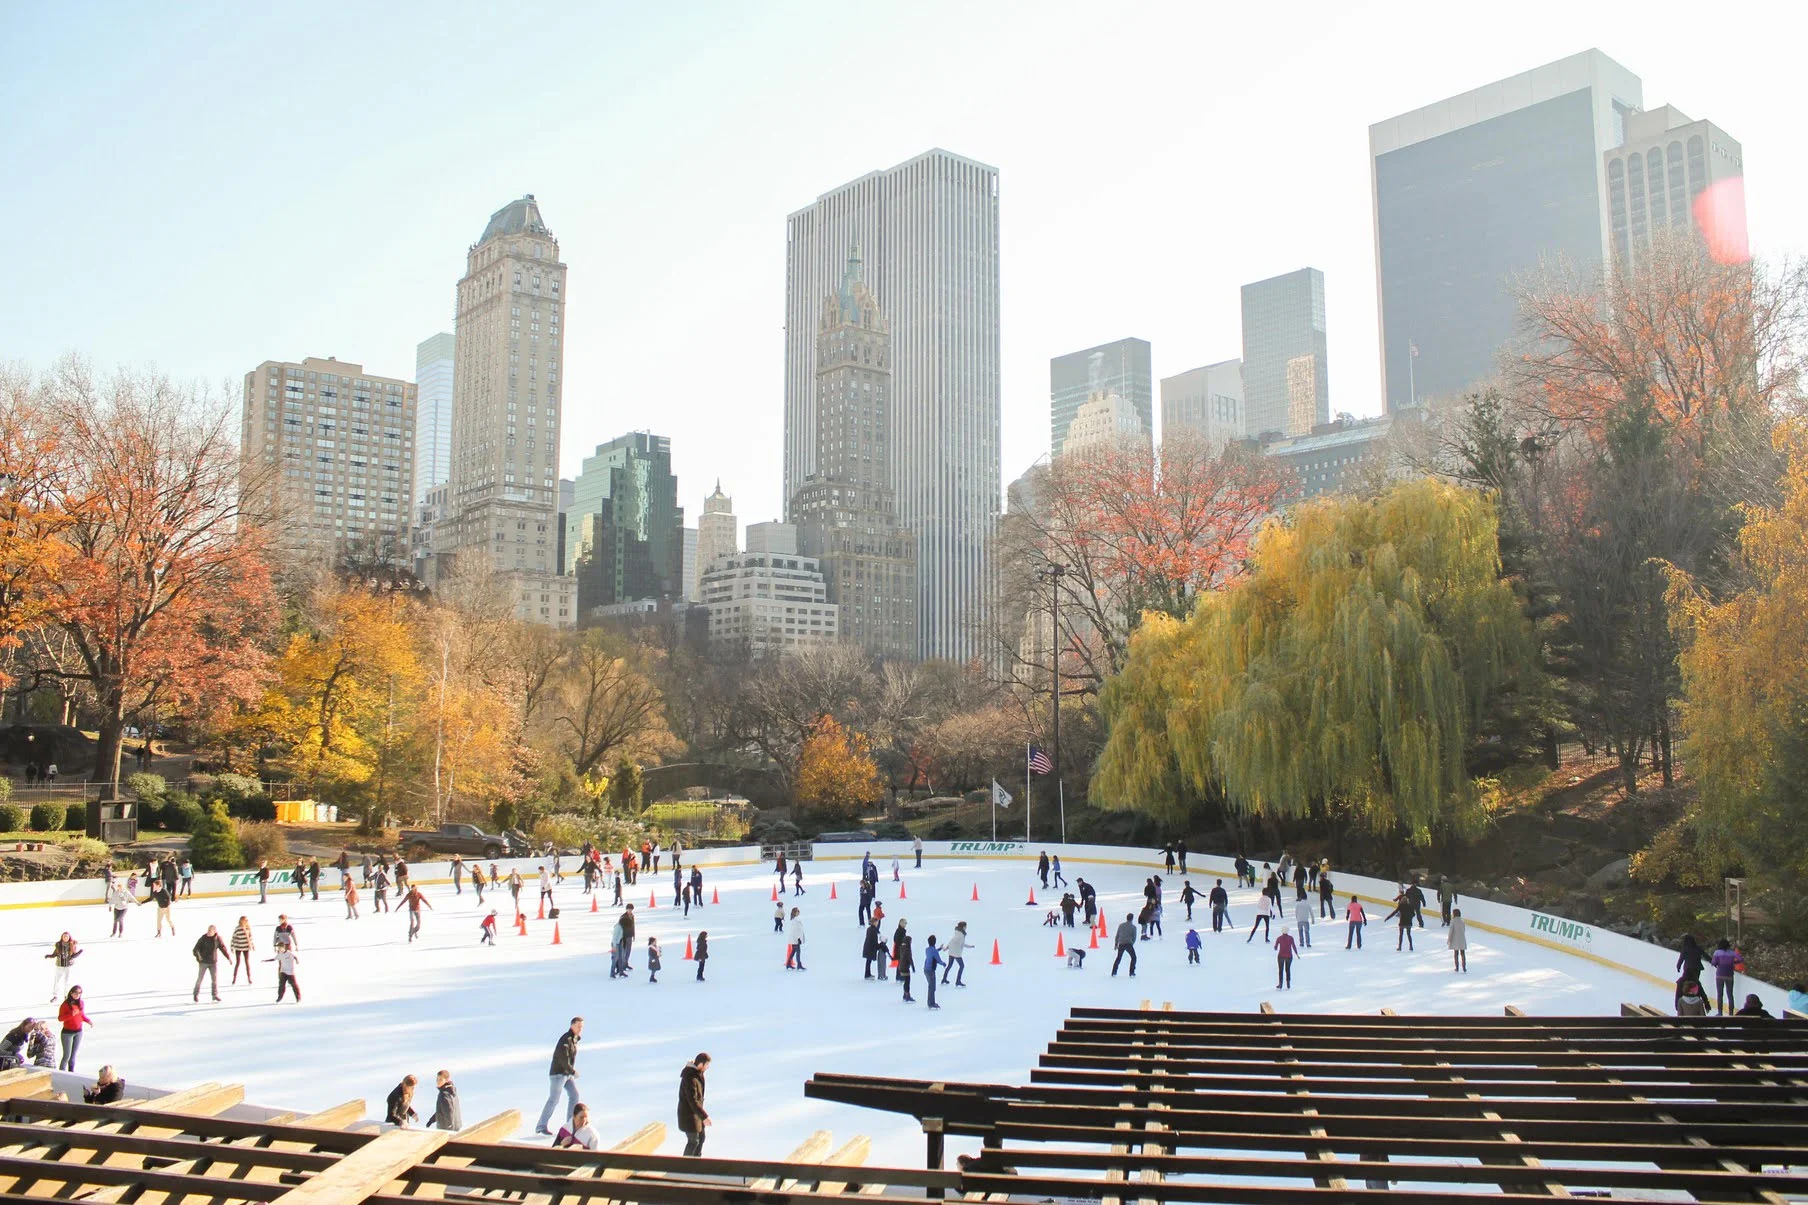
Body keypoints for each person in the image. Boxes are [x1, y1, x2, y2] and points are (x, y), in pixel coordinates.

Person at [534, 1018, 584, 1136]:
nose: (580, 1029)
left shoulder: (573, 1039)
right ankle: (541, 1126)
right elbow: (562, 1058)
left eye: (582, 1027)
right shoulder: (565, 1039)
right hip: (558, 1074)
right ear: (572, 1026)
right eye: (578, 1026)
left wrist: (570, 1072)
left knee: (574, 1095)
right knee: (554, 1099)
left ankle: (570, 1125)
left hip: (566, 1074)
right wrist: (572, 1071)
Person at [678, 1053, 711, 1156]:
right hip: (688, 1115)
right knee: (693, 1142)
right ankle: (684, 1167)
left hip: (696, 1115)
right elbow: (692, 1100)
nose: (707, 1068)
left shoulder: (697, 1076)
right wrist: (704, 1117)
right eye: (707, 1065)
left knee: (701, 1138)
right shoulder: (690, 1078)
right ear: (701, 1064)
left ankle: (696, 1164)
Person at [57, 987, 91, 1072]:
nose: (77, 995)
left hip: (78, 1031)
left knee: (73, 1055)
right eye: (76, 993)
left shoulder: (81, 1003)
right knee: (67, 1056)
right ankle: (62, 1073)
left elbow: (81, 1015)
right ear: (71, 993)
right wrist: (71, 1014)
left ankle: (71, 1072)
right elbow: (60, 1018)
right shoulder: (65, 1004)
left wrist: (87, 1020)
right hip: (67, 1033)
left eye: (79, 993)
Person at [192, 925, 228, 1002]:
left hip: (213, 962)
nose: (209, 931)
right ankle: (195, 994)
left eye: (211, 930)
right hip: (203, 962)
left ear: (214, 931)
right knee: (200, 979)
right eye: (209, 930)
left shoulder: (217, 938)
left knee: (214, 980)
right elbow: (195, 949)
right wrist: (199, 958)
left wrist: (228, 957)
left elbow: (223, 948)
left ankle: (214, 995)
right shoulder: (203, 938)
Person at [45, 933, 81, 1002]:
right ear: (62, 937)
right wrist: (49, 956)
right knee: (57, 981)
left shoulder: (72, 945)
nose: (65, 938)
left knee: (67, 981)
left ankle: (66, 996)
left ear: (69, 937)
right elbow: (55, 954)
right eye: (64, 936)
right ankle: (55, 996)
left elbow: (74, 955)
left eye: (67, 937)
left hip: (68, 966)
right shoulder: (58, 945)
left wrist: (79, 953)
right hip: (59, 966)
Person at [1711, 939, 1740, 1015]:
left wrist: (1717, 963)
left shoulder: (1717, 952)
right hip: (1730, 975)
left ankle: (1720, 1012)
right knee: (1730, 994)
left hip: (1720, 975)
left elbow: (1713, 962)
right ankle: (1731, 1013)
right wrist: (1734, 962)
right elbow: (1741, 959)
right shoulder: (1732, 953)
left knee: (1720, 994)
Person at [942, 921, 969, 987]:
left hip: (951, 952)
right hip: (956, 953)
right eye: (965, 926)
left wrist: (947, 947)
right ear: (963, 927)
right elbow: (961, 944)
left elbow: (952, 941)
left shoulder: (957, 933)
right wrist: (969, 946)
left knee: (949, 965)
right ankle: (958, 981)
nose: (966, 927)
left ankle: (944, 978)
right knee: (962, 966)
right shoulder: (961, 935)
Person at [1111, 913, 1139, 977]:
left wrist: (1116, 944)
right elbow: (1134, 937)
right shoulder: (1133, 927)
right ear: (1132, 919)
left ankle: (1114, 972)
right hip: (1128, 944)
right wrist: (1132, 943)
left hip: (1121, 944)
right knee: (1133, 957)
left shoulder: (1121, 925)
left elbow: (1117, 935)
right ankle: (1132, 972)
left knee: (1118, 958)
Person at [894, 921, 915, 1002]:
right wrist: (913, 967)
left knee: (906, 981)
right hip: (906, 967)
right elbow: (909, 958)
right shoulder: (907, 949)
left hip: (901, 966)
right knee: (907, 981)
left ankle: (904, 994)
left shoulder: (902, 948)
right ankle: (907, 995)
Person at [230, 916, 254, 984]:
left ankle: (249, 978)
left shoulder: (247, 928)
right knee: (238, 963)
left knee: (247, 962)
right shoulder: (237, 928)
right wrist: (232, 947)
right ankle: (234, 978)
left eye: (246, 920)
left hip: (246, 947)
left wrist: (252, 945)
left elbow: (250, 938)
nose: (245, 922)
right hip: (238, 947)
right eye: (244, 920)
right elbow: (234, 938)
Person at [922, 936, 944, 1009]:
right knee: (932, 987)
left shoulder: (927, 949)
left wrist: (940, 949)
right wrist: (943, 964)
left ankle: (931, 1002)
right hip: (931, 970)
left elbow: (933, 952)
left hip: (926, 969)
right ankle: (931, 1003)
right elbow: (938, 959)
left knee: (931, 986)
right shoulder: (933, 951)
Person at [1448, 908, 1468, 973]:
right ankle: (1464, 967)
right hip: (1462, 939)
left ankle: (1457, 967)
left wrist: (1449, 939)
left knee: (1456, 953)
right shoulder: (1462, 921)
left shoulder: (1453, 921)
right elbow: (1464, 929)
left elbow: (1451, 931)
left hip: (1455, 939)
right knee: (1463, 953)